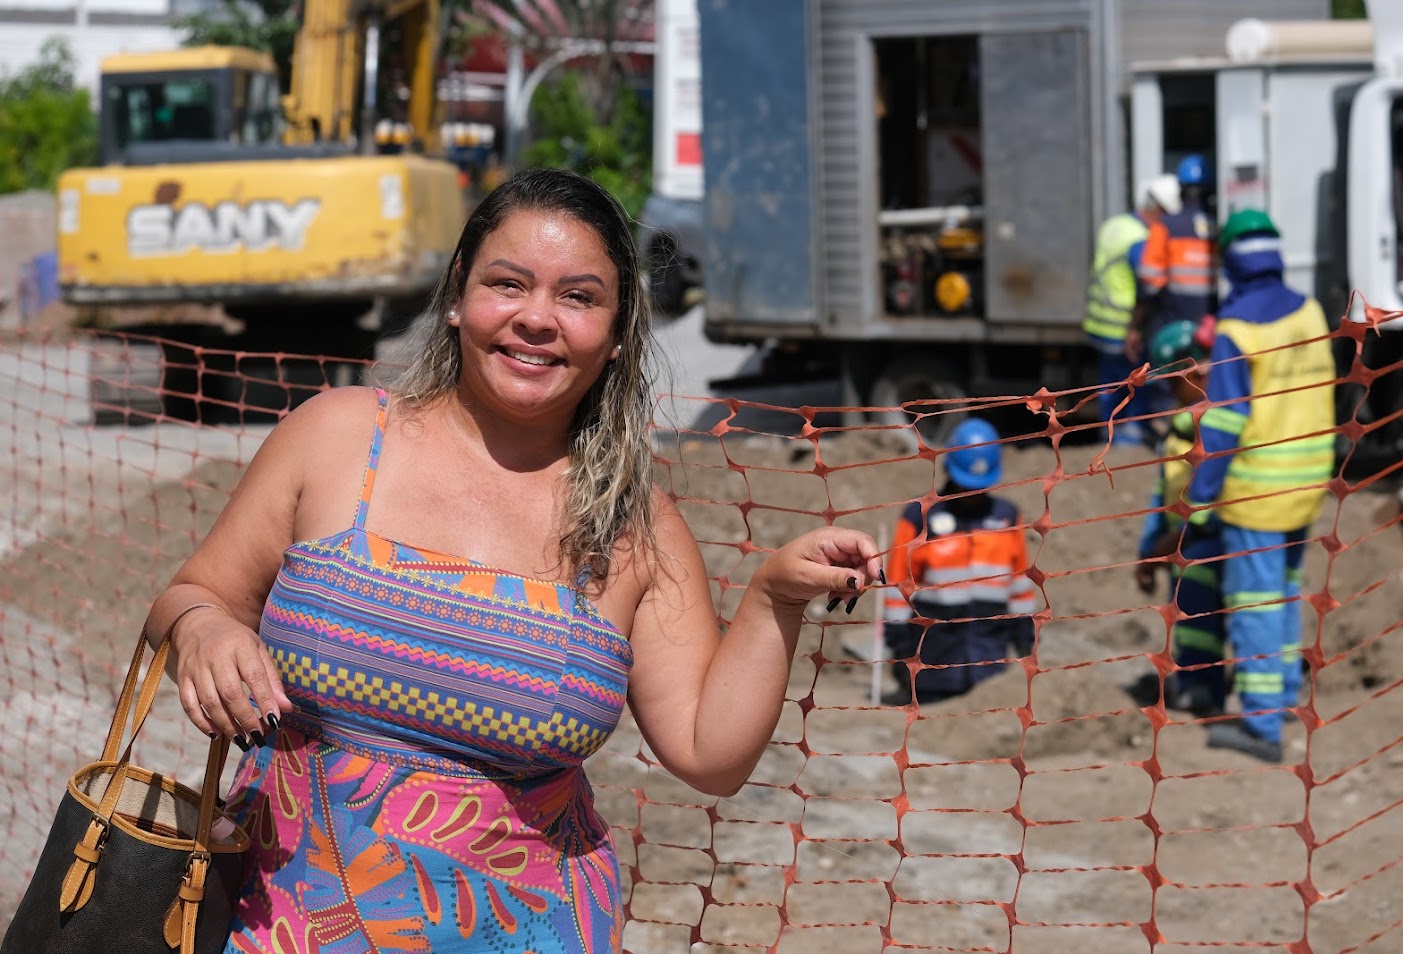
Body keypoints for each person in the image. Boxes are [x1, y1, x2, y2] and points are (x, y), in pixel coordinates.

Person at [140, 168, 883, 952]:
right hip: (280, 919)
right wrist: (204, 631)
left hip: (527, 930)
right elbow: (192, 594)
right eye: (508, 283)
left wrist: (774, 598)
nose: (537, 319)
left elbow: (708, 754)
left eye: (578, 296)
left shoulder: (635, 528)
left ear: (620, 330)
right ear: (458, 294)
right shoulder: (338, 438)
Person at [1182, 209, 1336, 763]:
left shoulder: (1237, 327)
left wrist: (1198, 496)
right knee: (1285, 594)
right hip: (1308, 480)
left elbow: (1223, 424)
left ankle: (1261, 726)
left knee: (1253, 602)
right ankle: (1284, 699)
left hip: (1258, 491)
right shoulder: (1312, 311)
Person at [880, 417, 1037, 706]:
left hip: (990, 664)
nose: (970, 495)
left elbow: (1019, 585)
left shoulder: (1007, 517)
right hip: (933, 663)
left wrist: (1025, 635)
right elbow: (897, 587)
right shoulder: (919, 517)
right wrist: (899, 646)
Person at [1134, 319, 1226, 717]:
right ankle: (1195, 684)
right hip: (1183, 547)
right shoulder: (1178, 430)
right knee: (1190, 618)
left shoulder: (1222, 424)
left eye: (1175, 384)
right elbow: (1163, 494)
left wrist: (1164, 546)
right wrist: (1148, 550)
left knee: (1221, 617)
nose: (1172, 394)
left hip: (1213, 541)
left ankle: (1214, 690)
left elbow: (1210, 501)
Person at [1083, 174, 1182, 447]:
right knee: (1135, 384)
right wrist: (1136, 327)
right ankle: (1127, 443)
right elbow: (1146, 284)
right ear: (1155, 208)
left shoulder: (1114, 225)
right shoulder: (1141, 237)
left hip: (1098, 325)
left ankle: (1107, 437)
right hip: (1124, 327)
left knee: (1108, 386)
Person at [1132, 155, 1220, 418]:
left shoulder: (1166, 226)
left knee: (1169, 381)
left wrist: (1137, 323)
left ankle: (1169, 429)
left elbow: (1149, 282)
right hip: (1211, 322)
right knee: (1206, 381)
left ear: (1181, 190)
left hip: (1172, 320)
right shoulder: (1220, 225)